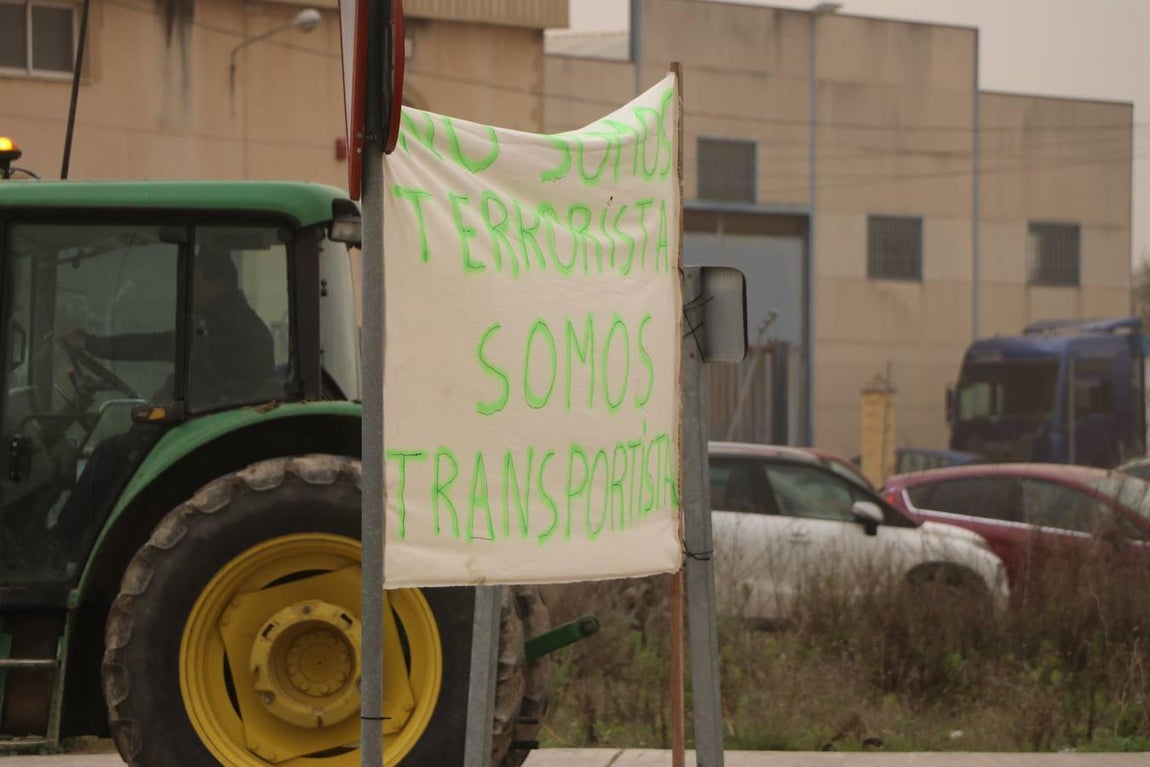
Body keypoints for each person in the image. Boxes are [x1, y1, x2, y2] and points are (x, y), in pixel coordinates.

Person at [64, 248, 275, 409]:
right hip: (215, 415)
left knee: (108, 453)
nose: (189, 293)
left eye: (195, 285)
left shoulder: (225, 329)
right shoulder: (234, 322)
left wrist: (93, 344)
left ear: (217, 285)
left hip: (213, 420)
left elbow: (157, 346)